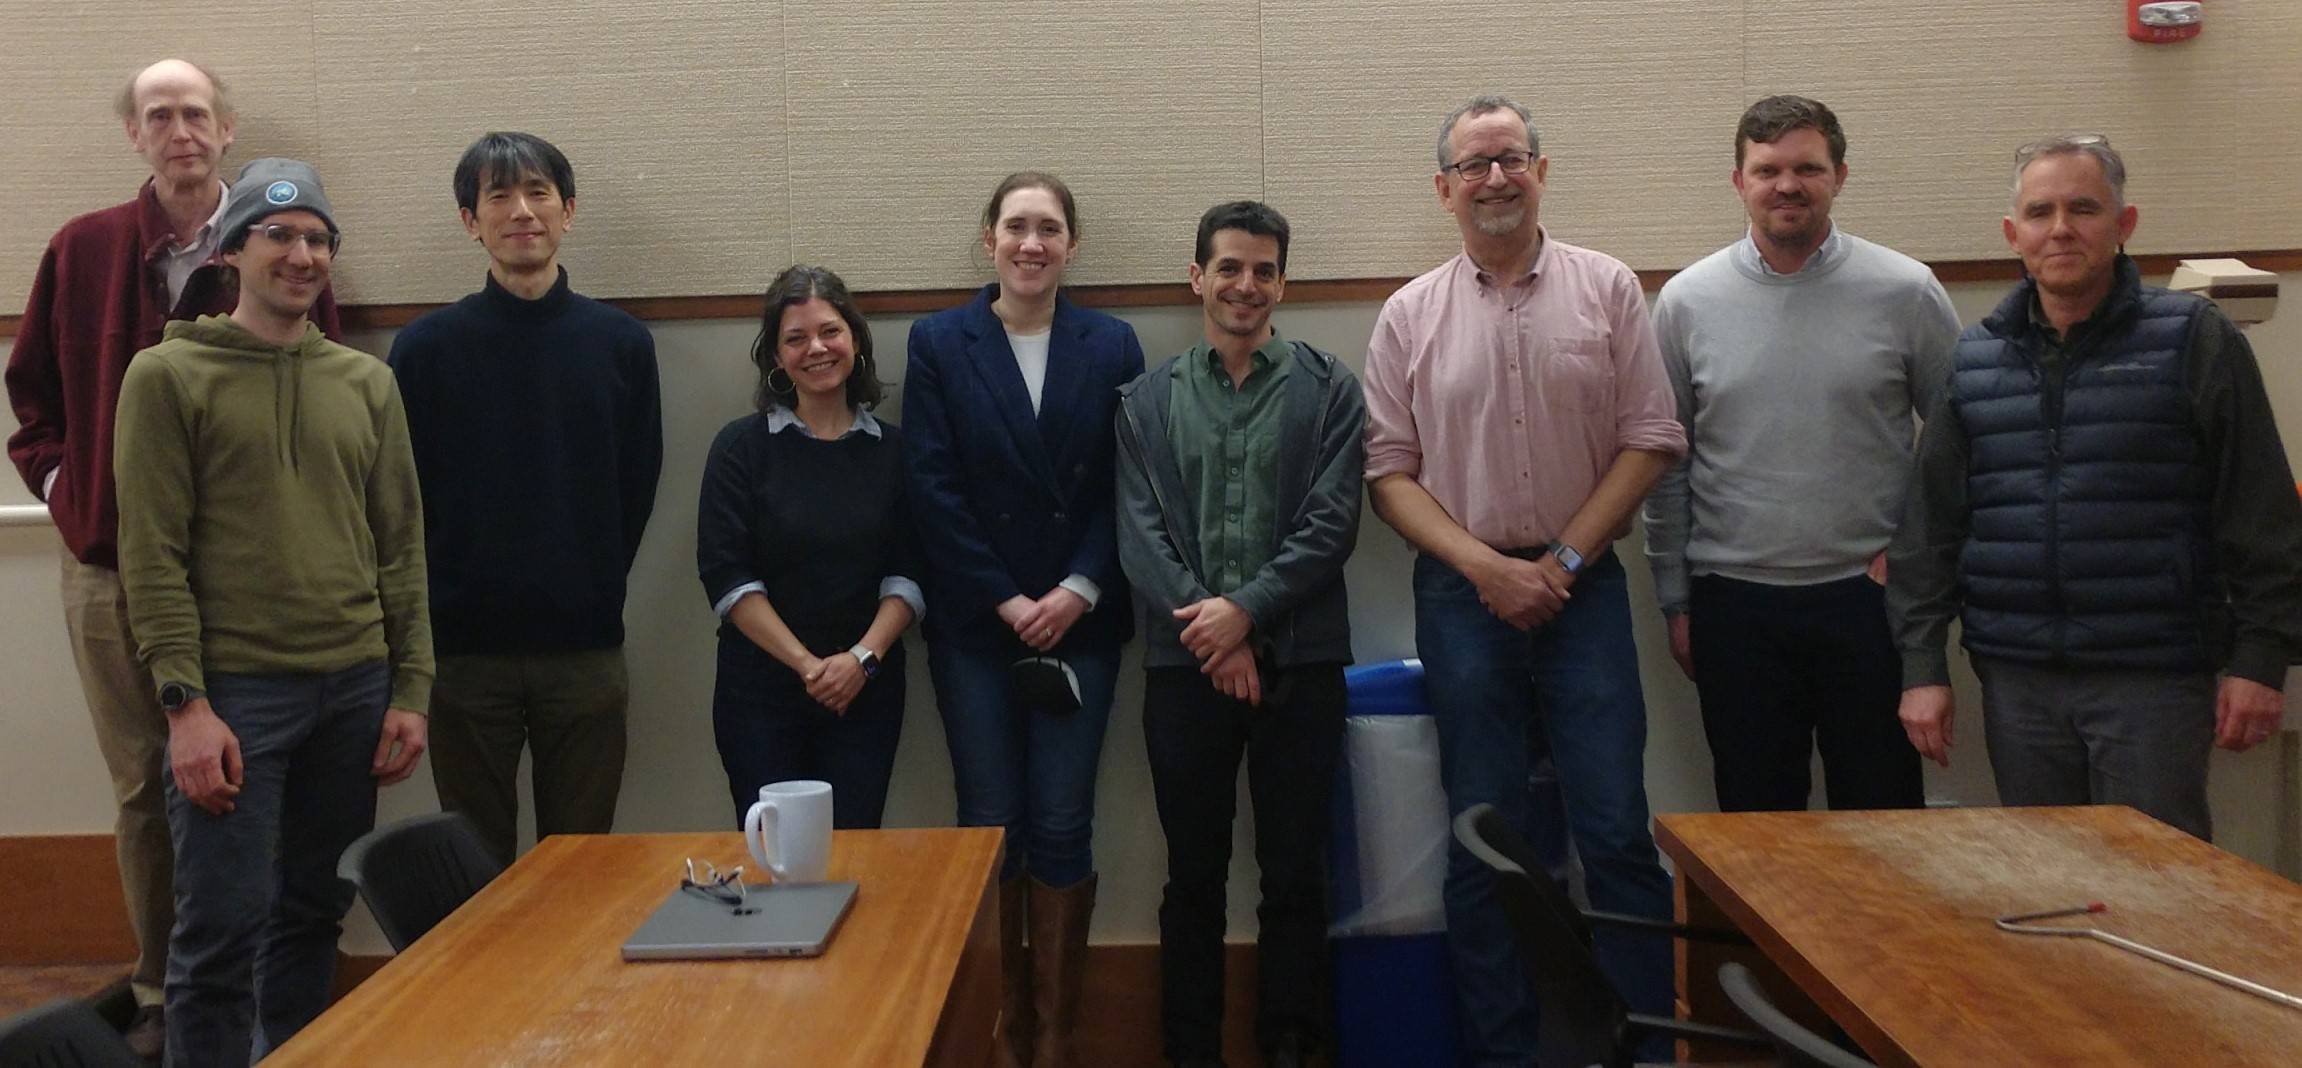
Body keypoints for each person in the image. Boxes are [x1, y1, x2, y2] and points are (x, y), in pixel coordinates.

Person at [3, 59, 340, 1059]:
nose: (180, 129)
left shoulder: (281, 245)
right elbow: (32, 405)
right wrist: (72, 498)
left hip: (244, 572)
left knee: (250, 773)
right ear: (135, 136)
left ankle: (260, 989)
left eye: (195, 112)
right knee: (147, 784)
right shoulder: (83, 249)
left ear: (227, 129)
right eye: (160, 115)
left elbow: (314, 389)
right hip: (110, 570)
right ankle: (161, 988)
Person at [1361, 94, 1686, 1064]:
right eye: (1474, 164)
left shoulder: (1607, 288)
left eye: (1511, 158)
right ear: (1443, 187)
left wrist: (1562, 563)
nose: (1495, 178)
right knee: (1482, 840)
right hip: (1462, 600)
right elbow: (1388, 473)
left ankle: (1638, 1047)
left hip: (1582, 592)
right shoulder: (1407, 313)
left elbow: (1650, 438)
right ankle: (1500, 1052)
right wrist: (1487, 570)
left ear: (1540, 170)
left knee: (1617, 835)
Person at [1888, 135, 2302, 840]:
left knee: (2160, 884)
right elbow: (1930, 529)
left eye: (2083, 208)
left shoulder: (2193, 339)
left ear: (2124, 223)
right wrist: (1922, 666)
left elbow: (2261, 511)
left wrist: (2261, 659)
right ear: (2013, 234)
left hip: (2154, 679)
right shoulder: (1975, 355)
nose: (2061, 229)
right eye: (2041, 211)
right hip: (2018, 680)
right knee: (2049, 879)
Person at [111, 158, 430, 1067]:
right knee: (218, 933)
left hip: (354, 690)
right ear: (231, 250)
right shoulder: (168, 377)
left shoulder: (364, 383)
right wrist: (186, 706)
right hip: (234, 699)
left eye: (319, 239)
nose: (302, 255)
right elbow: (153, 557)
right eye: (279, 236)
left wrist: (410, 686)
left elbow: (401, 545)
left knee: (311, 915)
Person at [1641, 95, 1959, 813]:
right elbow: (1667, 466)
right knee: (1757, 830)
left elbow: (1957, 447)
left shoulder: (1906, 291)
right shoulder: (1687, 302)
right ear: (1739, 181)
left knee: (1882, 826)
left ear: (1839, 176)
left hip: (1869, 602)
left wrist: (1915, 563)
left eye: (1807, 168)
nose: (1788, 185)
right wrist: (1676, 599)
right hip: (1733, 605)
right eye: (1768, 169)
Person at [902, 171, 1144, 1068]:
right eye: (1015, 227)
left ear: (1072, 244)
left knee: (1062, 823)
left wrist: (1078, 587)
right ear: (988, 238)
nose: (1031, 243)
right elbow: (932, 488)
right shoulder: (939, 342)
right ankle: (1003, 1027)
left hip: (1081, 621)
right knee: (990, 819)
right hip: (977, 624)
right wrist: (1006, 598)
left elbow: (1129, 482)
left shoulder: (1113, 344)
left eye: (1048, 228)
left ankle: (1057, 1035)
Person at [1115, 201, 1365, 1068]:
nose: (1245, 285)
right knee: (1193, 877)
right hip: (1184, 671)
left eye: (1263, 270)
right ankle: (1191, 1050)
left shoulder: (1333, 389)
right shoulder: (1145, 401)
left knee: (1296, 874)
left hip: (1303, 664)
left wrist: (1245, 616)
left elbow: (1331, 526)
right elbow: (1139, 539)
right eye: (1228, 267)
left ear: (1282, 283)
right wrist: (1214, 639)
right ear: (1197, 278)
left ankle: (1292, 1044)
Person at [388, 132, 663, 865]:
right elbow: (404, 500)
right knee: (476, 862)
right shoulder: (423, 349)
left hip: (586, 648)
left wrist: (592, 581)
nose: (521, 211)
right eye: (498, 195)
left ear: (568, 211)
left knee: (579, 861)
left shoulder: (621, 344)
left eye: (539, 192)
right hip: (464, 656)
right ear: (469, 220)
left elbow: (636, 483)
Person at [697, 265, 920, 829]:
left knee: (853, 858)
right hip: (761, 696)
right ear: (775, 356)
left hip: (865, 692)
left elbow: (910, 570)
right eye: (795, 338)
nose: (816, 348)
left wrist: (860, 662)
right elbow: (727, 574)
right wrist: (808, 667)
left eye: (830, 332)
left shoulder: (894, 452)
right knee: (774, 861)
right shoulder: (739, 450)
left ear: (855, 341)